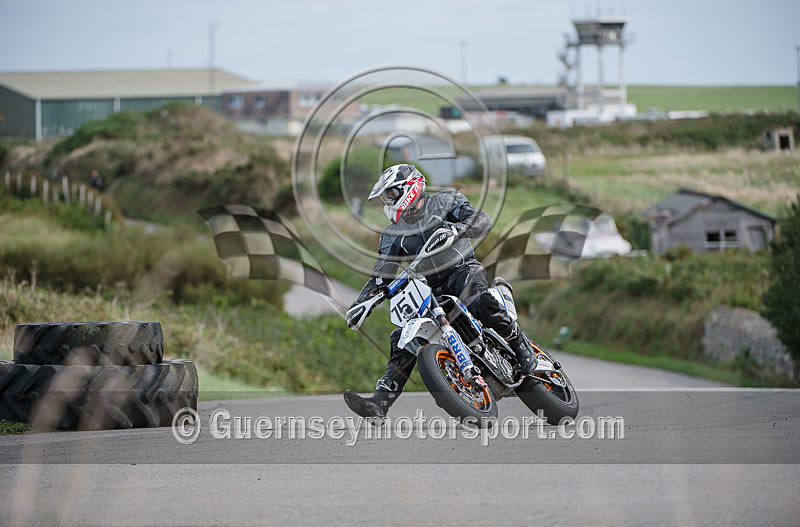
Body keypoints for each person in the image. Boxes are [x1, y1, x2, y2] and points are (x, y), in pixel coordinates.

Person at [343, 164, 536, 419]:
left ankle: (521, 346)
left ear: (409, 188)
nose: (388, 201)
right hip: (431, 289)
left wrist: (457, 229)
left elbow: (482, 220)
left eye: (391, 194)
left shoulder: (446, 200)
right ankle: (380, 402)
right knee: (402, 337)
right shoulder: (392, 234)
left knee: (482, 302)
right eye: (385, 197)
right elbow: (381, 275)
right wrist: (361, 304)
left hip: (463, 271)